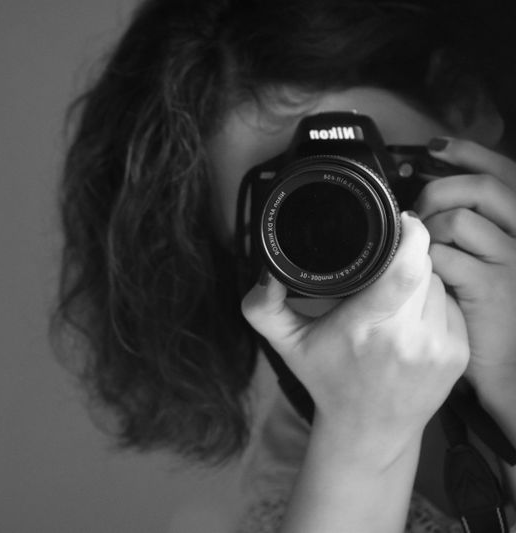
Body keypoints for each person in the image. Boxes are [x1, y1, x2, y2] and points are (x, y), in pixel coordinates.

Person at [53, 0, 516, 531]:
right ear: (243, 257)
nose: (359, 239)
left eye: (373, 181)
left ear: (465, 106)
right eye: (297, 220)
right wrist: (361, 447)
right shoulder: (301, 443)